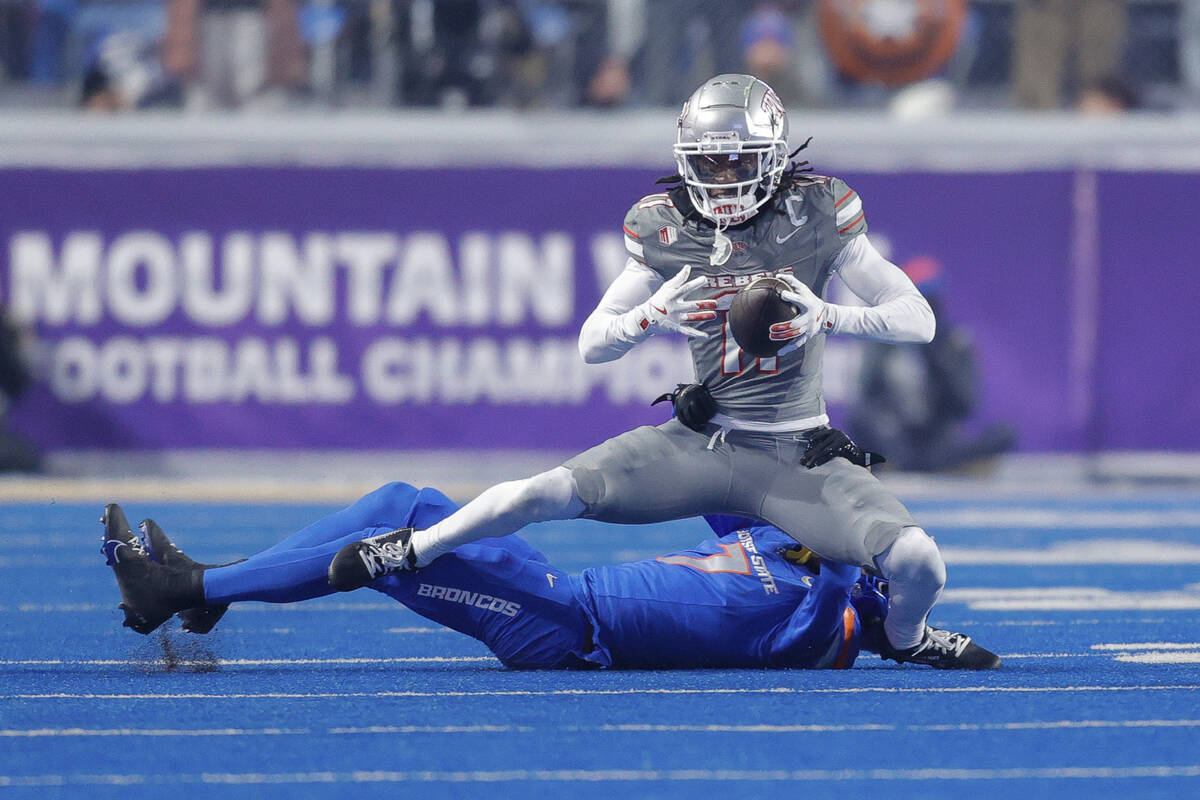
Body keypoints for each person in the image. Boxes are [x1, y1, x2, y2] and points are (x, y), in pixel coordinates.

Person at [324, 74, 998, 670]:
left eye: (740, 161)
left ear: (773, 158)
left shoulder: (817, 211)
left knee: (918, 562)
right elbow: (593, 344)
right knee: (538, 495)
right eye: (711, 161)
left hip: (799, 453)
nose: (725, 177)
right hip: (704, 444)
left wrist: (829, 316)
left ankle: (910, 638)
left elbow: (918, 319)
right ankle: (410, 549)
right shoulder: (664, 225)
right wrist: (650, 315)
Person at [101, 433, 895, 671]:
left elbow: (829, 614)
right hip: (557, 592)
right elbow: (730, 479)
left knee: (392, 544)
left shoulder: (826, 622)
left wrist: (851, 553)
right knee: (399, 504)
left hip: (566, 631)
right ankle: (210, 589)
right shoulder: (776, 541)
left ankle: (187, 587)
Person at [848, 255, 1017, 472]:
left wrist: (938, 358)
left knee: (1005, 433)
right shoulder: (882, 342)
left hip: (937, 439)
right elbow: (867, 395)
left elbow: (964, 404)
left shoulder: (955, 343)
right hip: (895, 437)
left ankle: (946, 464)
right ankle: (900, 464)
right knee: (861, 418)